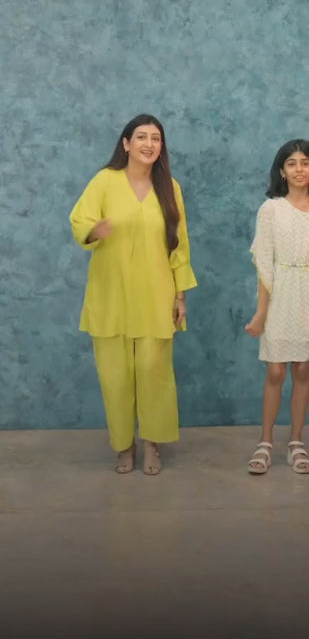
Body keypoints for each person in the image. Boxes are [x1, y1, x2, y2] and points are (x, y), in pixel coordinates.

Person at [70, 114, 197, 475]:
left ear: (161, 146)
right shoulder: (105, 181)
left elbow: (179, 246)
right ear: (126, 144)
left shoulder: (170, 188)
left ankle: (152, 443)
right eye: (141, 137)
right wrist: (94, 230)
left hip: (156, 295)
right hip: (110, 295)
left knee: (153, 372)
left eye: (155, 138)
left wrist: (180, 296)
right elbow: (79, 220)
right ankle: (123, 445)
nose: (148, 144)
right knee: (115, 376)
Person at [245, 139, 309, 475]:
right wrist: (261, 312)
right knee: (275, 371)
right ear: (282, 171)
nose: (299, 169)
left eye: (305, 163)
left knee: (302, 369)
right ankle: (265, 441)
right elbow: (264, 263)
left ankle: (296, 441)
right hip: (280, 292)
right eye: (292, 163)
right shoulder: (270, 210)